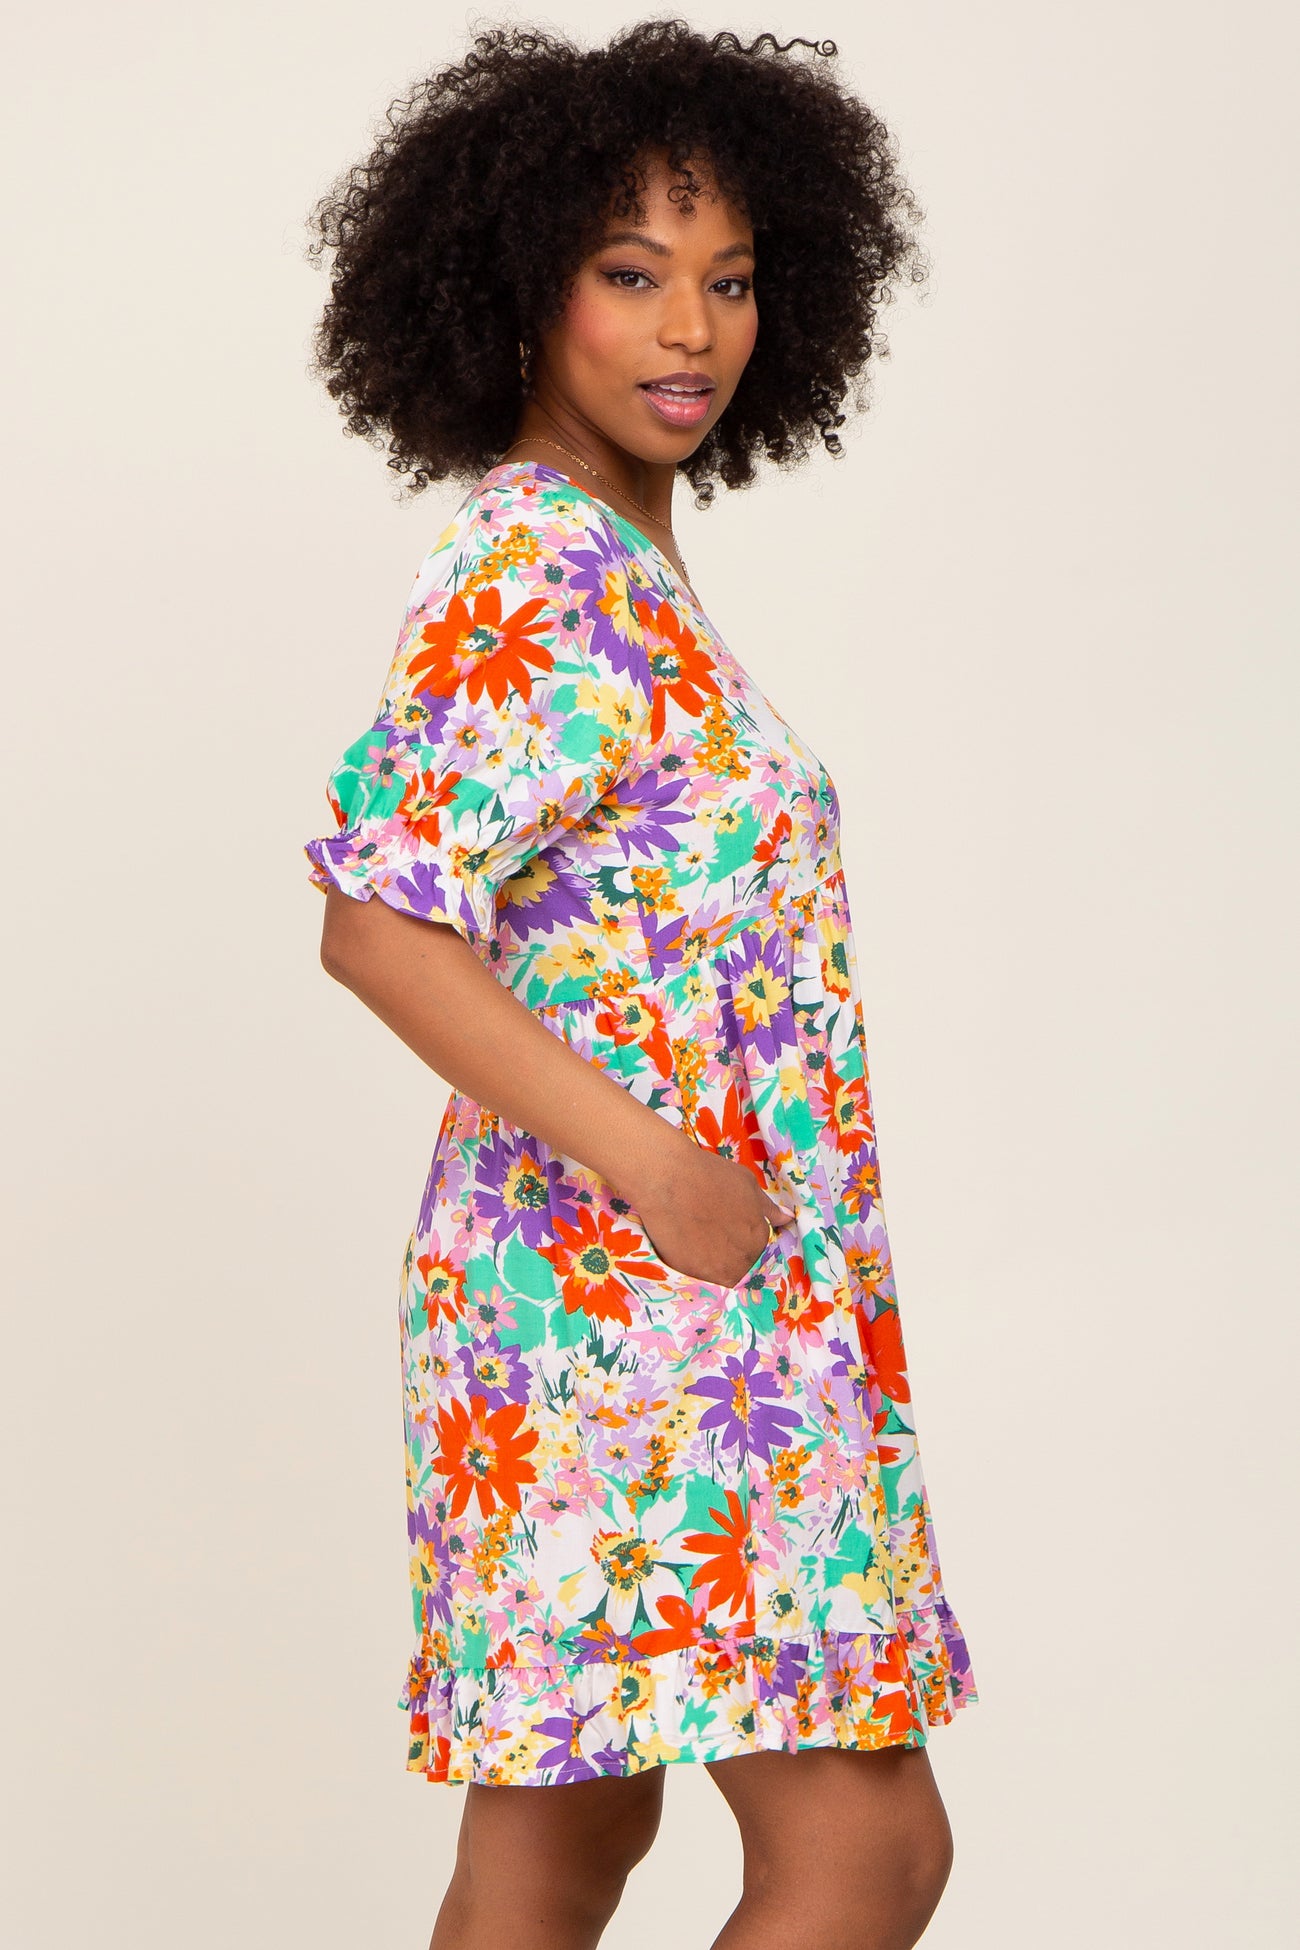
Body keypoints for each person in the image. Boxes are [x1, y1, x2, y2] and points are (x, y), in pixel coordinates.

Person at [302, 21, 978, 1950]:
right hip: (633, 1313)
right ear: (520, 288)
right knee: (866, 1852)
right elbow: (376, 917)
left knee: (562, 1844)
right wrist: (662, 1170)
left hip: (641, 1310)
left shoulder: (618, 566)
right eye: (630, 271)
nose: (691, 328)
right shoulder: (541, 570)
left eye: (732, 278)